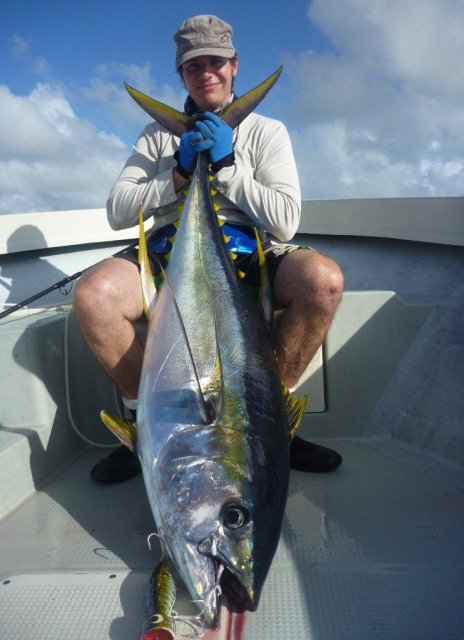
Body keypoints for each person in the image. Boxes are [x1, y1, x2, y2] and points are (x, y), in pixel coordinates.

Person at [73, 15, 344, 483]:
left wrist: (226, 164)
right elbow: (118, 210)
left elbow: (284, 219)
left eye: (215, 61)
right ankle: (147, 428)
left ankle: (270, 420)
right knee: (93, 295)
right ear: (181, 74)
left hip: (251, 248)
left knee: (323, 280)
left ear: (234, 65)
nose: (206, 72)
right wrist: (178, 173)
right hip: (169, 248)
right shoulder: (157, 135)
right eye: (193, 65)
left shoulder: (266, 132)